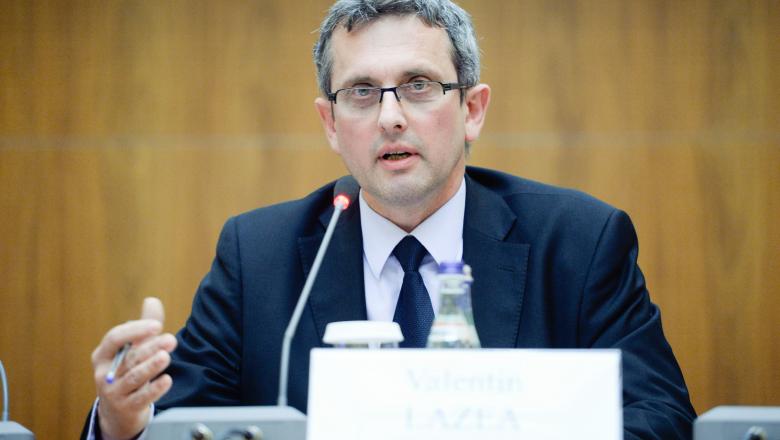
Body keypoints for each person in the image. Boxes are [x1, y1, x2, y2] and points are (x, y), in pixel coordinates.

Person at [83, 1, 696, 439]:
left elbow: (660, 418)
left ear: (472, 109)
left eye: (419, 85)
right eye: (361, 92)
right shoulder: (258, 254)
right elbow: (188, 423)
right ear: (330, 123)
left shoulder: (580, 242)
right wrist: (122, 420)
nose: (390, 117)